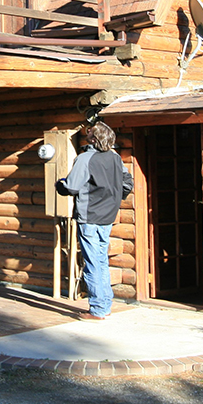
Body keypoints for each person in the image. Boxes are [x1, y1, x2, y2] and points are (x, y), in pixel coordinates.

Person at [57, 121, 133, 321]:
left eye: (88, 133)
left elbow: (72, 187)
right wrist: (115, 200)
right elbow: (127, 183)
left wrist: (60, 185)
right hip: (108, 216)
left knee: (92, 262)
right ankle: (105, 304)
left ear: (92, 138)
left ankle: (98, 309)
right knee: (101, 259)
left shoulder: (85, 158)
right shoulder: (115, 158)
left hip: (89, 216)